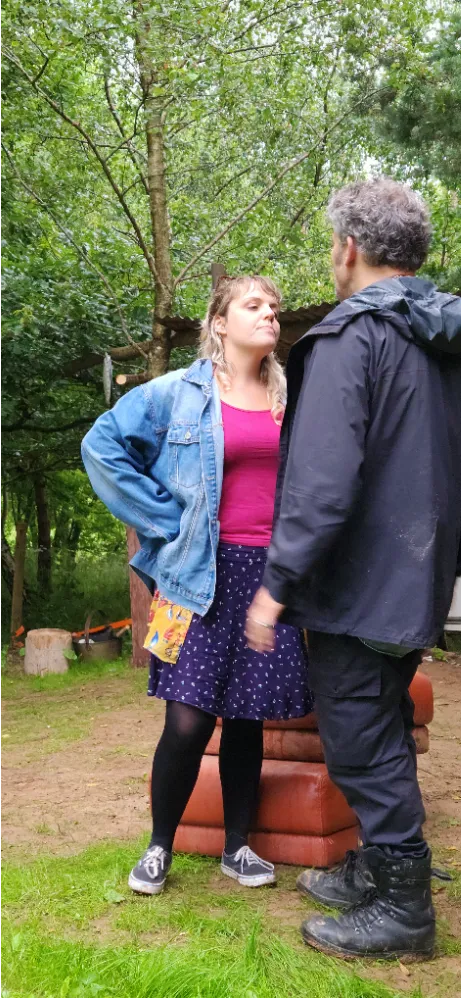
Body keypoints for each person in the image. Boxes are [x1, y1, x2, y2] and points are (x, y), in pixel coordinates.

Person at [246, 178, 461, 961]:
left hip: (361, 583)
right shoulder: (442, 336)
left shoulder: (349, 338)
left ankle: (403, 912)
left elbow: (321, 483)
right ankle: (378, 867)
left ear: (348, 249)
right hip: (420, 574)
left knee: (360, 740)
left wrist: (276, 584)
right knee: (382, 723)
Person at [81, 274, 312, 897]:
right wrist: (166, 519)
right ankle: (160, 846)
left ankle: (238, 847)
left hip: (269, 577)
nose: (269, 314)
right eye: (254, 305)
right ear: (219, 322)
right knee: (185, 720)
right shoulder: (177, 394)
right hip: (193, 576)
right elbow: (102, 445)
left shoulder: (289, 396)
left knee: (245, 720)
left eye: (274, 307)